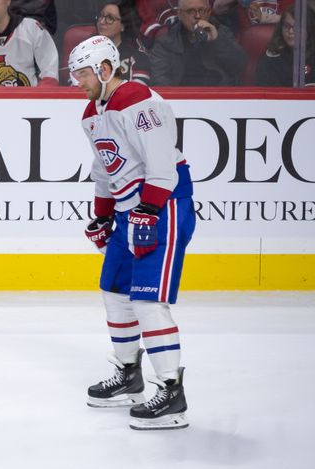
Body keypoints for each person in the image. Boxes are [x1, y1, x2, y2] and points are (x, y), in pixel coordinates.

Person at [68, 35, 195, 430]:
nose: (78, 82)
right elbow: (105, 169)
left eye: (84, 74)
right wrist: (104, 216)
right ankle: (129, 374)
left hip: (164, 207)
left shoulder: (139, 99)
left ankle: (171, 392)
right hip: (129, 212)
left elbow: (162, 165)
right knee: (114, 292)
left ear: (106, 69)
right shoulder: (92, 112)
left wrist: (148, 209)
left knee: (148, 301)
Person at [150, 0, 247, 86]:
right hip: (181, 99)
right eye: (190, 11)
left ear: (209, 12)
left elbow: (239, 66)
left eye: (202, 10)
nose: (197, 16)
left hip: (218, 98)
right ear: (179, 14)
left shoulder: (222, 32)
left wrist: (217, 41)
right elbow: (159, 81)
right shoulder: (167, 41)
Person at [256, 6, 315, 86]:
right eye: (286, 26)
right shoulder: (271, 59)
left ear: (309, 28)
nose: (290, 31)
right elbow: (265, 94)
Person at [95, 1, 151, 85]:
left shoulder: (136, 55)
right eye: (101, 16)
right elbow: (75, 89)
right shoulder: (85, 51)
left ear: (122, 26)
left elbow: (138, 92)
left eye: (110, 18)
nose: (102, 22)